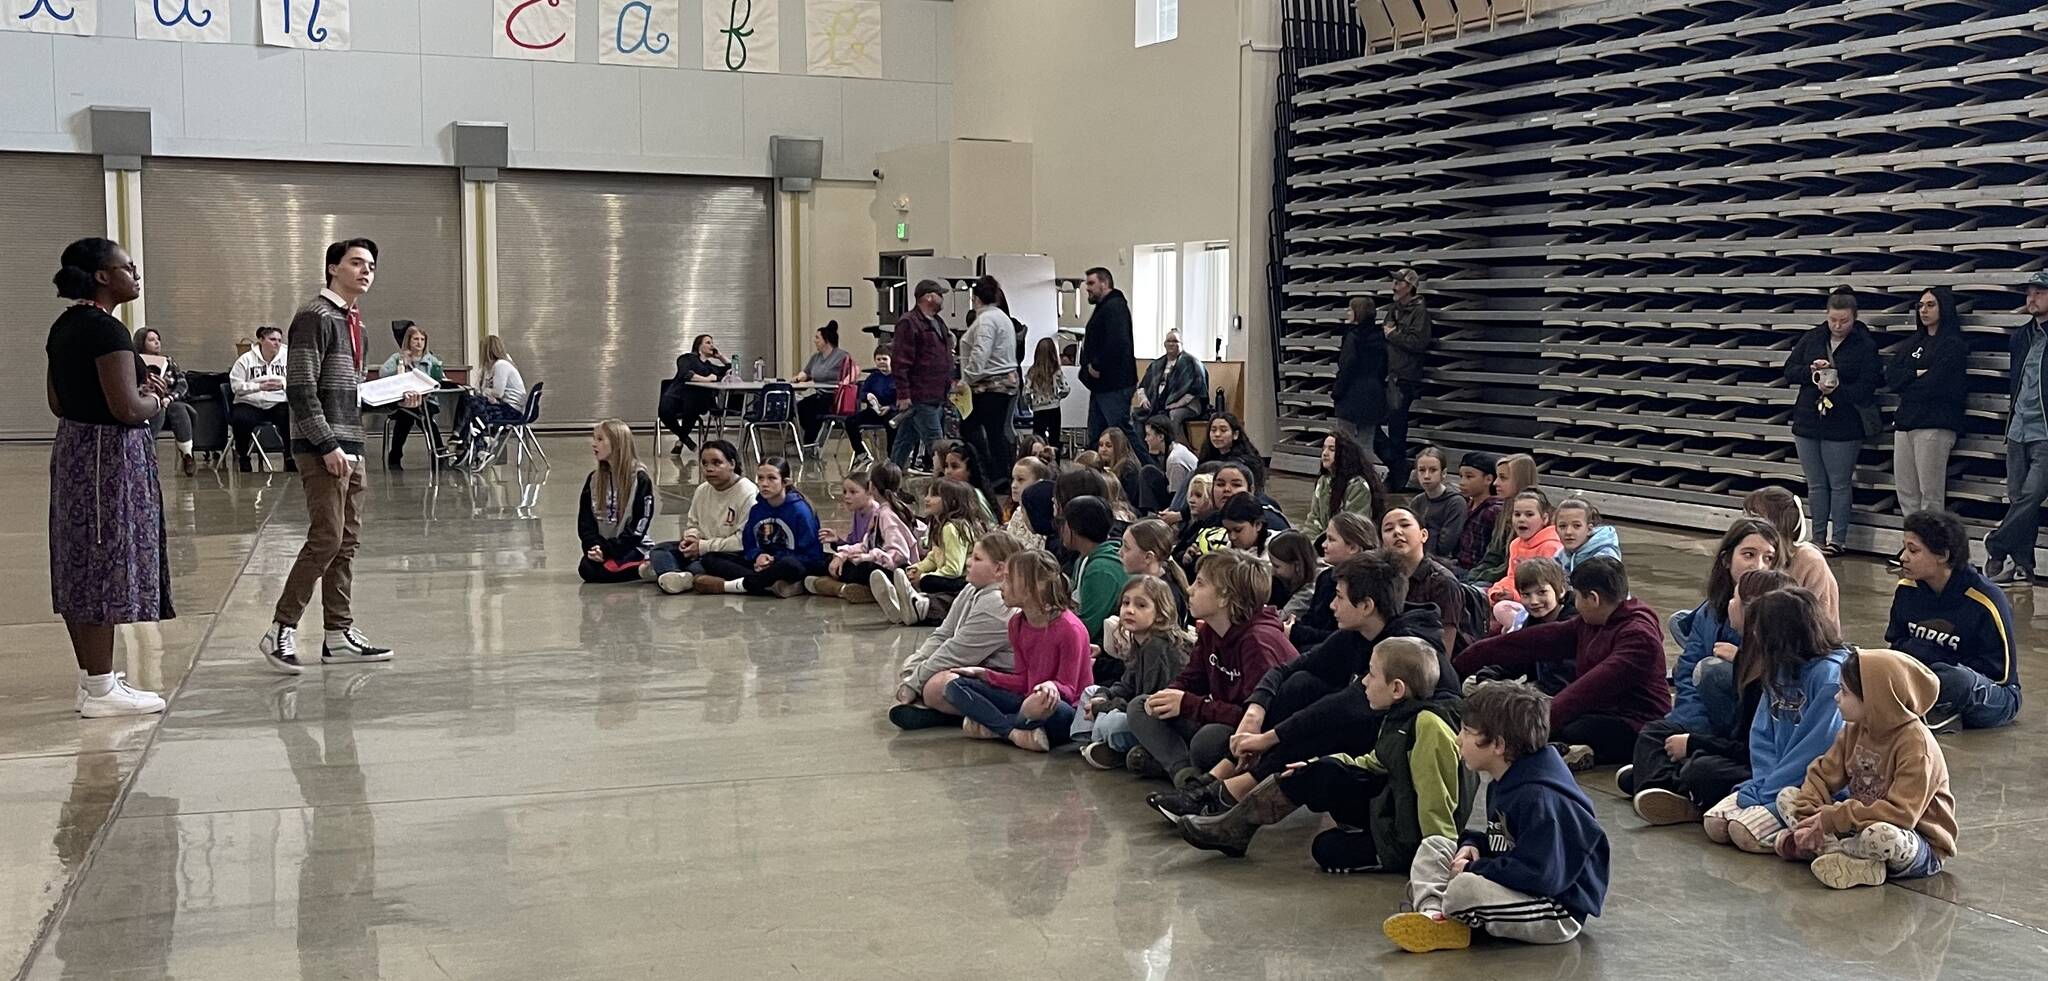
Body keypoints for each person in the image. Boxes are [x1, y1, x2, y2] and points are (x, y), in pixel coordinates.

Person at [1153, 550, 1451, 821]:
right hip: (1373, 728)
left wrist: (1267, 738)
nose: (1332, 605)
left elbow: (1349, 704)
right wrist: (1253, 714)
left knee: (1328, 723)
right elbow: (1288, 669)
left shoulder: (1401, 645)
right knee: (1302, 684)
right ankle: (1224, 782)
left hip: (1410, 741)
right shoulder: (1357, 633)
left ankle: (1228, 791)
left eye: (1339, 597)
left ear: (1366, 606)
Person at [1173, 636, 1473, 872]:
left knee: (1326, 849)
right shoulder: (1399, 716)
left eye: (1371, 674)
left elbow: (1437, 800)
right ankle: (1236, 826)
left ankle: (1235, 825)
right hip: (1393, 815)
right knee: (1319, 773)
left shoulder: (1427, 725)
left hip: (1411, 839)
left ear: (1397, 688)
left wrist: (1435, 862)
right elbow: (1375, 762)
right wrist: (1319, 764)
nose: (1363, 682)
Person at [257, 238, 400, 673]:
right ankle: (280, 628)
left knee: (348, 541)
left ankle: (338, 634)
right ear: (333, 268)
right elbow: (300, 389)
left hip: (351, 443)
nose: (366, 271)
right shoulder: (314, 317)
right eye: (356, 263)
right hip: (324, 447)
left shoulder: (356, 323)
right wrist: (326, 444)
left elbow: (349, 393)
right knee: (327, 538)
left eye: (371, 265)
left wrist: (396, 398)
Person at [45, 237, 172, 717]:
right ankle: (101, 689)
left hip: (75, 449)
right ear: (102, 276)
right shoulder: (107, 332)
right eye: (128, 266)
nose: (135, 273)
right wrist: (155, 399)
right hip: (108, 459)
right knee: (104, 558)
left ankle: (92, 679)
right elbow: (126, 408)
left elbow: (57, 402)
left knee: (81, 561)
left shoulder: (64, 326)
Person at [1383, 681, 1608, 953]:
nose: (1457, 740)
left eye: (1466, 732)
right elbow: (1506, 842)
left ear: (1498, 745)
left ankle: (1445, 912)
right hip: (1523, 883)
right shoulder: (1506, 779)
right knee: (1435, 845)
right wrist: (1473, 845)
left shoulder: (1542, 798)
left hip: (1553, 908)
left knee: (1463, 889)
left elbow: (1542, 875)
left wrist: (1474, 870)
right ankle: (1435, 917)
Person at [1453, 557, 1669, 769]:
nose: (1574, 604)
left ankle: (1587, 752)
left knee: (1567, 727)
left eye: (1577, 597)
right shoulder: (1591, 622)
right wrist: (1466, 661)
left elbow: (1589, 689)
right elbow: (1532, 641)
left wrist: (1535, 723)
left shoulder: (1639, 639)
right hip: (1599, 708)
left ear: (1593, 599)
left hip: (1635, 721)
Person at [1623, 568, 1794, 826]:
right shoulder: (1748, 658)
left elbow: (1754, 751)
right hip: (1738, 750)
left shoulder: (1773, 675)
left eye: (1736, 600)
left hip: (1763, 768)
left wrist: (1693, 744)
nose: (1729, 604)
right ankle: (1664, 786)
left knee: (1701, 770)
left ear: (1754, 612)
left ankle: (1671, 788)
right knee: (1655, 733)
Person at [1777, 649, 1955, 889]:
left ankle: (1830, 851)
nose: (1837, 697)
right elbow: (1821, 774)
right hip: (1857, 826)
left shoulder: (1917, 747)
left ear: (1875, 699)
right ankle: (1839, 854)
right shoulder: (1855, 728)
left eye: (1845, 691)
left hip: (1915, 841)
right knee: (1788, 796)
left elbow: (1902, 814)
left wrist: (1833, 818)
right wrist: (1810, 816)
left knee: (1880, 835)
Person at [1126, 551, 1296, 787]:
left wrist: (1188, 704)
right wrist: (1168, 695)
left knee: (1207, 743)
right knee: (1140, 707)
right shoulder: (1210, 630)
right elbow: (1192, 679)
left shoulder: (1258, 642)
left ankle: (1173, 764)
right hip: (1216, 715)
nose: (1190, 590)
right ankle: (1184, 772)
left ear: (1224, 597)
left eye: (1200, 583)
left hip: (1254, 732)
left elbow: (1256, 718)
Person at [1701, 587, 1848, 856]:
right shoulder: (1779, 668)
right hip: (1771, 781)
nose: (1754, 635)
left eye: (1760, 629)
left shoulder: (1829, 676)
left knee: (1741, 833)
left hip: (1808, 788)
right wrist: (1763, 784)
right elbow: (1761, 735)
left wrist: (1771, 790)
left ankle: (1804, 839)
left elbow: (1815, 749)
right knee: (1715, 825)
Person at [943, 550, 1093, 753]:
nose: (1001, 587)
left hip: (1062, 708)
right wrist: (986, 675)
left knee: (1042, 704)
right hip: (1026, 701)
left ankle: (993, 726)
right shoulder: (1016, 623)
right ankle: (1013, 732)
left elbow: (1070, 689)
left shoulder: (1070, 629)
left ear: (1031, 589)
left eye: (1008, 580)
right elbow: (1023, 680)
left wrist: (1052, 686)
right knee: (955, 686)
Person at [1886, 509, 2021, 731]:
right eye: (1904, 547)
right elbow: (1896, 643)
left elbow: (2000, 674)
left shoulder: (1985, 600)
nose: (1903, 557)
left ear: (1943, 555)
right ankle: (1933, 710)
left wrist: (1934, 659)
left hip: (1992, 693)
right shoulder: (1906, 590)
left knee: (1956, 680)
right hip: (1925, 679)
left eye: (1913, 550)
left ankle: (1930, 710)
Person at [890, 532, 1026, 730]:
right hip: (973, 667)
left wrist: (914, 683)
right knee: (914, 663)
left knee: (937, 687)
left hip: (1005, 679)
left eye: (977, 559)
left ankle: (971, 717)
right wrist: (914, 669)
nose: (969, 562)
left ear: (999, 569)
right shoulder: (972, 588)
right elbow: (943, 634)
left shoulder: (997, 604)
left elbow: (957, 652)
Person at [1783, 287, 1882, 555]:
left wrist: (1837, 389)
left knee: (1839, 483)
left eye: (1844, 321)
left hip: (1844, 424)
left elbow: (1868, 386)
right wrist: (1810, 371)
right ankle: (1816, 538)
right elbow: (1789, 370)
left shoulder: (1864, 345)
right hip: (1808, 419)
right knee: (1815, 483)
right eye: (1833, 320)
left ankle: (1838, 539)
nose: (1838, 326)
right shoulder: (1812, 337)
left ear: (1854, 318)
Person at [1663, 518, 1782, 736]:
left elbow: (1786, 681)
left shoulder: (1781, 614)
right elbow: (1688, 672)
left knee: (1711, 670)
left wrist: (1742, 659)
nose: (1759, 566)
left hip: (1755, 727)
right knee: (1656, 733)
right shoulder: (1709, 611)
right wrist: (1691, 726)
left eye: (1769, 558)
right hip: (1706, 718)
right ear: (1727, 559)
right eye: (1749, 555)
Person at [1075, 576, 1193, 769]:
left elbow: (1145, 705)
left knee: (1113, 724)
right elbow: (1126, 685)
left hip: (1163, 723)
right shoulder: (1140, 642)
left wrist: (1103, 708)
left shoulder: (1157, 646)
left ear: (1161, 614)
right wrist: (1103, 696)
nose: (1130, 610)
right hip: (1136, 709)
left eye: (1141, 606)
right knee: (1091, 691)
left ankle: (1105, 745)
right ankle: (1099, 744)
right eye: (1126, 603)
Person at [1984, 271, 2048, 588]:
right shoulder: (2020, 337)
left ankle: (1995, 544)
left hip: (2045, 433)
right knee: (2020, 499)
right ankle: (2024, 565)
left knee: (2032, 495)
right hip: (2018, 429)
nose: (2031, 299)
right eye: (2029, 293)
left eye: (2039, 293)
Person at [688, 457, 825, 598]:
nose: (764, 484)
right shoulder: (757, 509)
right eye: (760, 478)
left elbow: (813, 556)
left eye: (772, 478)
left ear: (785, 482)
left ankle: (733, 586)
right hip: (763, 566)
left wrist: (773, 559)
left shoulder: (800, 511)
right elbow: (749, 543)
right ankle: (772, 586)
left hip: (792, 564)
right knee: (710, 558)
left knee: (789, 564)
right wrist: (757, 555)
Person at [1886, 287, 1968, 518]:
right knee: (1906, 491)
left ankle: (1930, 547)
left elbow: (1937, 383)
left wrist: (1910, 380)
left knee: (1930, 493)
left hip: (1935, 424)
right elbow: (1892, 378)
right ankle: (1912, 544)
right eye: (1920, 305)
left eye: (1931, 305)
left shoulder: (1952, 345)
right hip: (1905, 424)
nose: (1924, 310)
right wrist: (1916, 373)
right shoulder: (1913, 343)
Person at [645, 440, 757, 594]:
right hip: (700, 548)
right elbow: (693, 523)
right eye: (705, 464)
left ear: (732, 463)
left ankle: (669, 573)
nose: (709, 469)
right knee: (660, 550)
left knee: (706, 563)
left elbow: (742, 541)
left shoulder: (747, 492)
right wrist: (690, 538)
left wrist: (703, 547)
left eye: (717, 463)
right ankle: (676, 575)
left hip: (726, 554)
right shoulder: (702, 490)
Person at [875, 479, 990, 625]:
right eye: (927, 494)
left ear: (952, 501)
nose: (927, 499)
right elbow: (934, 556)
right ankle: (905, 603)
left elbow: (954, 569)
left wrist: (923, 577)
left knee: (928, 582)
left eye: (934, 495)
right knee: (906, 571)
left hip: (964, 581)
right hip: (951, 577)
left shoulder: (952, 528)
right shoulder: (940, 525)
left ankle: (908, 599)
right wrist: (918, 568)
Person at [806, 468, 922, 603]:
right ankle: (851, 588)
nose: (847, 496)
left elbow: (899, 554)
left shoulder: (886, 514)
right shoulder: (881, 511)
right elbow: (865, 543)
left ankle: (847, 589)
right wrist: (841, 553)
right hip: (882, 563)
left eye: (853, 492)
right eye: (845, 492)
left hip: (898, 570)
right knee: (829, 562)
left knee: (862, 568)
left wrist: (866, 557)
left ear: (871, 488)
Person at [1742, 486, 1841, 635]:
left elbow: (1809, 624)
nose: (1744, 522)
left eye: (1753, 516)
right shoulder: (1747, 553)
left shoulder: (1809, 561)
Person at [1380, 507, 1470, 656]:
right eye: (1388, 529)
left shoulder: (1442, 582)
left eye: (1405, 525)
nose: (1397, 532)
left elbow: (1444, 648)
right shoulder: (1382, 578)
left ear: (1424, 535)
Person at [576, 420, 657, 584]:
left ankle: (648, 567)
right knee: (586, 568)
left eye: (600, 439)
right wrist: (594, 546)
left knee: (604, 571)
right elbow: (585, 521)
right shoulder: (594, 479)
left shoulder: (639, 478)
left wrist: (609, 550)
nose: (594, 444)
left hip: (631, 546)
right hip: (604, 547)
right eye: (594, 439)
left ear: (617, 443)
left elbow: (639, 525)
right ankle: (643, 569)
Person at [1282, 512, 1377, 649]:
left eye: (1331, 540)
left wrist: (1296, 632)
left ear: (1353, 547)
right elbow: (1311, 618)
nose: (1324, 545)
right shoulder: (1326, 577)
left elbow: (1342, 635)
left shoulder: (1365, 584)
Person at [958, 276, 1021, 474]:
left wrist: (965, 379)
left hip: (989, 385)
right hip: (1004, 382)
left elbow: (980, 352)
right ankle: (998, 473)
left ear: (975, 298)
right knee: (995, 432)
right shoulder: (1002, 317)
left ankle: (988, 471)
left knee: (972, 428)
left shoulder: (986, 320)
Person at [890, 280, 954, 471]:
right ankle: (946, 482)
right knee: (937, 443)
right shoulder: (909, 323)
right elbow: (900, 361)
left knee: (904, 441)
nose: (942, 299)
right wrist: (903, 394)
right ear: (928, 297)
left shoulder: (938, 323)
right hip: (921, 394)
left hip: (937, 393)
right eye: (939, 294)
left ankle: (888, 478)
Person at [1378, 268, 1433, 486]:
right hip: (1390, 375)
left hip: (1405, 376)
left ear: (1409, 286)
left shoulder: (1420, 312)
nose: (1394, 286)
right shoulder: (1394, 309)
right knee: (1381, 423)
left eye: (1398, 283)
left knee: (1397, 426)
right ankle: (1396, 464)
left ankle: (1398, 471)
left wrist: (1393, 335)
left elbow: (1417, 343)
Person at [1079, 266, 1138, 449]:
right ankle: (1094, 474)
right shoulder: (1106, 307)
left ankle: (1149, 472)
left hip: (1114, 384)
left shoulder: (1115, 307)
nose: (1087, 288)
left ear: (1104, 284)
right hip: (1104, 385)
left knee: (1121, 435)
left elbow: (1117, 342)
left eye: (1091, 283)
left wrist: (1097, 365)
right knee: (1097, 435)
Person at [1062, 496, 1130, 650]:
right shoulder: (1085, 558)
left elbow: (1088, 628)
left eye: (1064, 523)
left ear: (1075, 529)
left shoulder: (1101, 570)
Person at [131, 327, 197, 476]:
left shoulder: (168, 362)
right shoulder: (134, 362)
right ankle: (147, 453)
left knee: (178, 408)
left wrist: (169, 398)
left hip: (170, 403)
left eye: (158, 339)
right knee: (157, 407)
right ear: (141, 342)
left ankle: (187, 455)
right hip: (145, 406)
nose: (157, 343)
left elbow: (182, 385)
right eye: (151, 340)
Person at [1465, 453, 1538, 585]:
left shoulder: (1533, 517)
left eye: (1503, 478)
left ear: (1519, 480)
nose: (1495, 483)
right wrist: (1474, 575)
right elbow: (1493, 555)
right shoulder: (1503, 512)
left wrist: (1480, 578)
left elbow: (1509, 566)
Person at [379, 322, 445, 469]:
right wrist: (402, 363)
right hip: (402, 400)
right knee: (407, 414)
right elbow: (383, 373)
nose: (419, 343)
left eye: (422, 339)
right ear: (408, 340)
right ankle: (438, 452)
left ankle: (396, 455)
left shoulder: (431, 360)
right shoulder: (398, 357)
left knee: (416, 415)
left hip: (427, 401)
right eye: (415, 339)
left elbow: (439, 380)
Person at [228, 323, 293, 473]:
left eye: (279, 340)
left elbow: (297, 380)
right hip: (250, 402)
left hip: (277, 402)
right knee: (241, 419)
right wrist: (259, 387)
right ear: (261, 340)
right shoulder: (245, 360)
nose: (277, 343)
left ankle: (289, 456)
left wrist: (283, 384)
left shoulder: (288, 356)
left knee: (290, 417)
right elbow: (235, 386)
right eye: (272, 339)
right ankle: (243, 456)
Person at [453, 334, 528, 456]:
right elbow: (481, 389)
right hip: (504, 405)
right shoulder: (491, 366)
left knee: (471, 404)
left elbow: (498, 392)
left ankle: (466, 442)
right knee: (469, 401)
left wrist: (486, 392)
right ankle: (473, 444)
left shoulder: (501, 365)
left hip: (511, 410)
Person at [659, 333, 730, 455]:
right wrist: (708, 379)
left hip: (693, 401)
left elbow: (731, 368)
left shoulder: (709, 366)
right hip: (676, 396)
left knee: (693, 405)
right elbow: (687, 374)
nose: (712, 345)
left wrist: (720, 356)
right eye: (708, 342)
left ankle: (682, 441)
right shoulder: (686, 358)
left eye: (712, 343)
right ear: (699, 346)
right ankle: (686, 440)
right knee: (664, 411)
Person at [1488, 490, 1561, 606]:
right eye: (1517, 514)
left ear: (1545, 518)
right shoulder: (1515, 544)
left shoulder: (1551, 546)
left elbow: (1545, 589)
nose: (1521, 519)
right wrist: (1498, 591)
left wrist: (1514, 597)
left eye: (1529, 514)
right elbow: (1512, 577)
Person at [1305, 430, 1386, 533]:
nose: (1325, 453)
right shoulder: (1323, 481)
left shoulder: (1357, 486)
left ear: (1344, 454)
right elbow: (1313, 519)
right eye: (1324, 448)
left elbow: (1355, 527)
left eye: (1332, 449)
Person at [1333, 295, 1389, 444]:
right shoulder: (1380, 336)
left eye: (1351, 309)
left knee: (1345, 444)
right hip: (1374, 393)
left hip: (1351, 395)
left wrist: (1337, 392)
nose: (1348, 312)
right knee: (1366, 444)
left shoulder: (1352, 337)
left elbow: (1347, 366)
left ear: (1358, 312)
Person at [1135, 329, 1209, 435]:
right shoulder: (1157, 364)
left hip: (1188, 406)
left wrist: (1178, 403)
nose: (1171, 344)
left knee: (1174, 414)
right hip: (1158, 404)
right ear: (1164, 344)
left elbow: (1196, 389)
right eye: (1168, 341)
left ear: (1181, 344)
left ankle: (1173, 446)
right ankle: (1144, 449)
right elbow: (1142, 386)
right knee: (1136, 415)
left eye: (1175, 341)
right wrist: (1144, 399)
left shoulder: (1191, 363)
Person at [793, 321, 855, 447]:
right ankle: (811, 440)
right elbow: (806, 373)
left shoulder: (843, 357)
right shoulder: (816, 357)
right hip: (819, 394)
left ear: (826, 340)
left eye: (817, 338)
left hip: (834, 397)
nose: (815, 341)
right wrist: (798, 378)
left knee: (814, 412)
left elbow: (851, 375)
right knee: (800, 407)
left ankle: (810, 442)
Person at [1408, 447, 1465, 566]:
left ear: (1443, 473)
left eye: (1433, 470)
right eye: (1422, 470)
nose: (1427, 476)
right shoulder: (1417, 501)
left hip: (1444, 563)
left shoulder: (1455, 502)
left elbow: (1446, 546)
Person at [1451, 451, 1503, 576]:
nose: (1462, 482)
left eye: (1469, 477)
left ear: (1489, 479)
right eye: (1461, 476)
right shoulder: (1465, 504)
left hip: (1476, 571)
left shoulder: (1494, 511)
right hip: (1458, 564)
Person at [845, 345, 897, 465]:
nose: (881, 362)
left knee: (891, 424)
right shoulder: (873, 378)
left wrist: (890, 407)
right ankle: (861, 453)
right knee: (850, 421)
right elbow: (862, 393)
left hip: (891, 411)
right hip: (874, 411)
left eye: (884, 359)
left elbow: (902, 398)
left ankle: (891, 456)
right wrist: (867, 396)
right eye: (878, 359)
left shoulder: (897, 378)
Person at [1020, 336, 1069, 457]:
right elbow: (1066, 388)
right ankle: (1055, 465)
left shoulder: (1032, 372)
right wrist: (1058, 397)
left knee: (1038, 439)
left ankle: (1038, 462)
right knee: (1054, 439)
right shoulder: (1056, 371)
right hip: (1053, 407)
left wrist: (1030, 403)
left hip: (1038, 409)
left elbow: (1025, 392)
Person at [1141, 416, 1200, 514]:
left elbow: (1177, 496)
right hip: (1179, 492)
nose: (1145, 439)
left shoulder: (1174, 460)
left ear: (1161, 437)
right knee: (1148, 472)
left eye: (1148, 435)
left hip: (1185, 500)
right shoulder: (1175, 448)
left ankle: (1150, 515)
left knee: (1147, 473)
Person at [1196, 413, 1266, 491]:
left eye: (1223, 430)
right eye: (1213, 430)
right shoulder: (1207, 456)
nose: (1217, 434)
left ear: (1235, 434)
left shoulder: (1245, 461)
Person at [1553, 497, 1619, 574]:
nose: (1568, 532)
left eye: (1577, 526)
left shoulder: (1605, 558)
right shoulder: (1558, 557)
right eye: (1562, 526)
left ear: (1589, 529)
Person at [1004, 455, 1053, 550]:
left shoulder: (1043, 516)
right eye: (1013, 479)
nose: (1014, 485)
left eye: (1020, 480)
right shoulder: (1018, 512)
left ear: (1039, 483)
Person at [1264, 530, 1320, 612]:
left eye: (1276, 566)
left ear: (1297, 566)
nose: (1273, 571)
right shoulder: (1286, 579)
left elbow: (1282, 617)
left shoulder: (1307, 594)